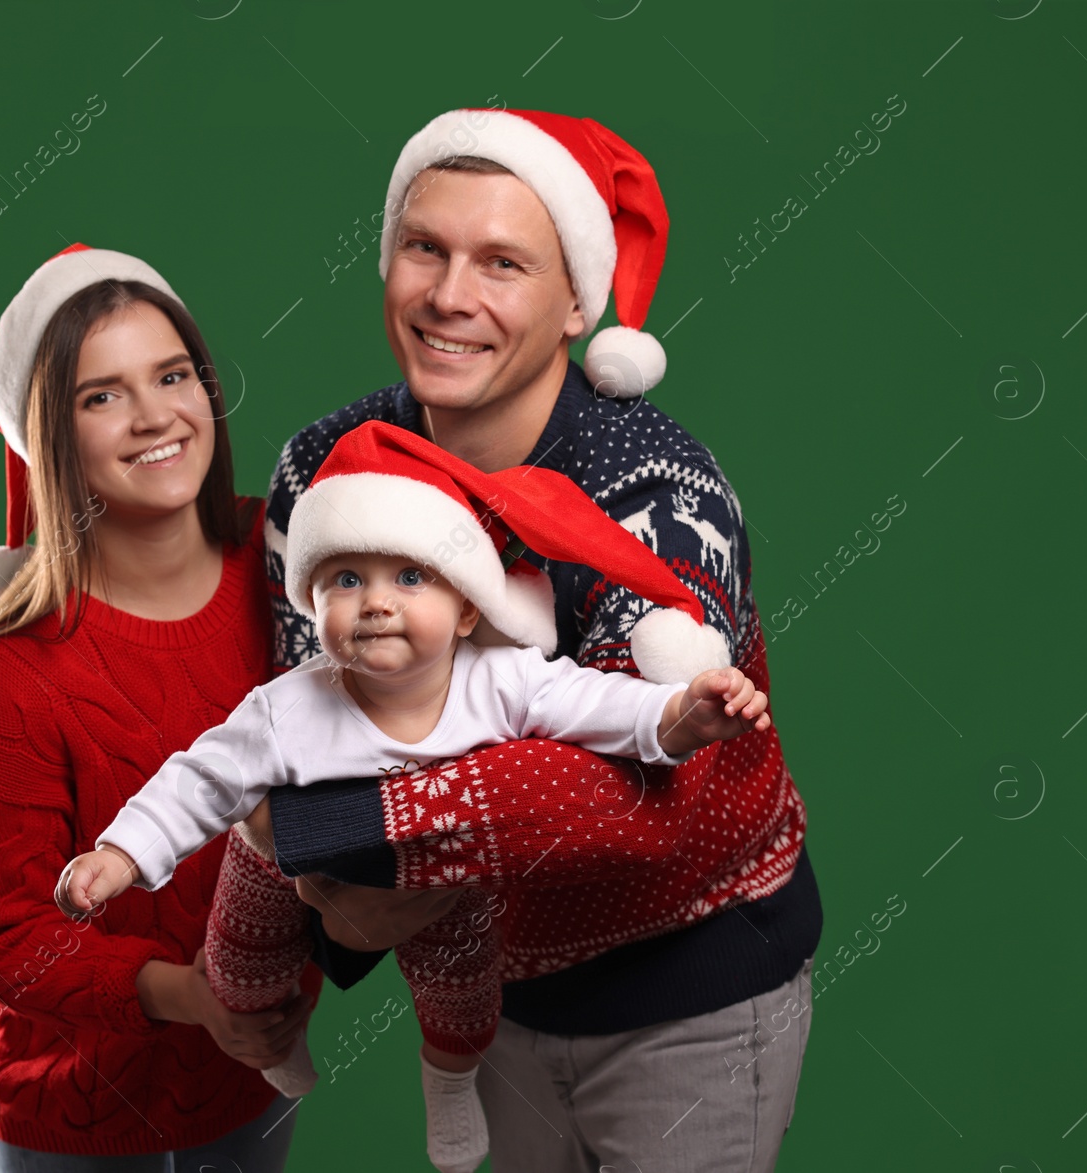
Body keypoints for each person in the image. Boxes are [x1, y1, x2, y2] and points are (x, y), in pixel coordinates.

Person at [247, 109, 824, 1172]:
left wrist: (340, 844)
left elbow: (643, 801)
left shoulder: (659, 492)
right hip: (488, 999)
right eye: (425, 247)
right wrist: (296, 937)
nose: (448, 296)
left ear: (576, 303)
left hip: (688, 985)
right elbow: (305, 722)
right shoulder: (325, 468)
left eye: (501, 262)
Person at [56, 419, 772, 1173]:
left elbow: (602, 708)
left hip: (441, 871)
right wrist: (121, 853)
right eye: (345, 580)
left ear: (467, 609)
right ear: (313, 606)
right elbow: (202, 777)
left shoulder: (502, 678)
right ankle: (279, 1040)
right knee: (238, 966)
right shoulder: (289, 705)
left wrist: (680, 717)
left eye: (408, 577)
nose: (374, 602)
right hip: (279, 865)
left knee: (462, 988)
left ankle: (450, 1074)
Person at [0, 244, 323, 1171]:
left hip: (246, 1080)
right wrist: (189, 994)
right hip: (73, 1103)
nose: (156, 415)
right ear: (51, 437)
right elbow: (4, 936)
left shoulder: (291, 568)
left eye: (173, 374)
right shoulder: (23, 673)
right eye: (101, 395)